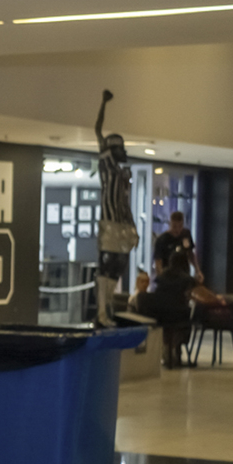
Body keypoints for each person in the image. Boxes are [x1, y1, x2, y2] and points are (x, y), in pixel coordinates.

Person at [93, 90, 139, 326]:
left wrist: (132, 227)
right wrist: (104, 103)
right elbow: (98, 129)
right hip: (110, 223)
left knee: (118, 265)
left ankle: (107, 308)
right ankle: (102, 312)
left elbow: (124, 204)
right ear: (113, 150)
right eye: (121, 148)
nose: (124, 152)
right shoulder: (107, 163)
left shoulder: (120, 173)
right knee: (108, 265)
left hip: (121, 223)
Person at [138, 251, 195, 368]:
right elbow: (197, 294)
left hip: (159, 314)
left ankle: (166, 351)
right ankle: (176, 350)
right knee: (185, 320)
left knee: (167, 325)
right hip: (178, 315)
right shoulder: (186, 279)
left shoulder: (162, 277)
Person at [154, 211, 203, 284]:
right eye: (174, 226)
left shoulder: (186, 234)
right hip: (168, 276)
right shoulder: (162, 240)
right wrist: (161, 280)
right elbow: (158, 262)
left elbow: (190, 254)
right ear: (170, 224)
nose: (177, 230)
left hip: (184, 274)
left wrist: (197, 270)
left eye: (180, 226)